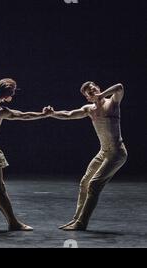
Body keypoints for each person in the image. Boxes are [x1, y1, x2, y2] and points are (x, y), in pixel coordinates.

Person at [0, 69, 53, 231]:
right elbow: (24, 115)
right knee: (0, 188)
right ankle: (13, 222)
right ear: (7, 96)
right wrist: (43, 114)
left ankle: (11, 220)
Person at [52, 82, 128, 231]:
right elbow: (68, 114)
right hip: (103, 152)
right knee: (84, 182)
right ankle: (76, 219)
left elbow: (119, 87)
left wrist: (101, 95)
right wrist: (52, 113)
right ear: (87, 98)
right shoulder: (90, 109)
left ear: (99, 89)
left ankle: (82, 223)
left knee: (94, 185)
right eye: (88, 91)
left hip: (117, 153)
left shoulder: (112, 102)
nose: (92, 90)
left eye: (93, 88)